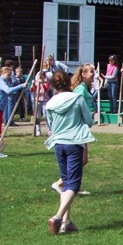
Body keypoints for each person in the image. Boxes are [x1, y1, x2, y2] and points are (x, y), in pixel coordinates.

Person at [44, 70, 95, 234]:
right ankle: (58, 217)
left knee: (66, 182)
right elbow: (88, 120)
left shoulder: (50, 103)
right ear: (68, 82)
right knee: (73, 183)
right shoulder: (77, 98)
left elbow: (50, 125)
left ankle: (66, 223)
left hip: (58, 144)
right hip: (74, 142)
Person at [0, 64, 27, 157]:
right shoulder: (1, 82)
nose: (9, 77)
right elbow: (8, 90)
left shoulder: (3, 82)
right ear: (3, 73)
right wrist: (21, 86)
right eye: (8, 75)